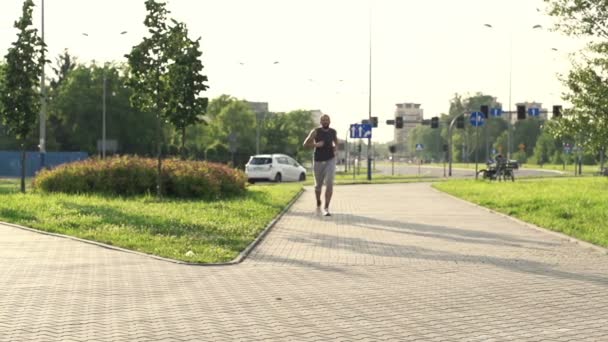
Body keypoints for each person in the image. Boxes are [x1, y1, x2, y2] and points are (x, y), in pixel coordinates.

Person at [303, 114, 338, 216]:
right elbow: (305, 144)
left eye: (327, 120)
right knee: (318, 185)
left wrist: (335, 149)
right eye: (323, 120)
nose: (325, 122)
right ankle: (318, 200)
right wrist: (315, 145)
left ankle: (326, 207)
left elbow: (335, 141)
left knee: (329, 183)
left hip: (330, 160)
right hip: (318, 160)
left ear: (329, 121)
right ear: (320, 122)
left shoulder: (333, 131)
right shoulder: (315, 131)